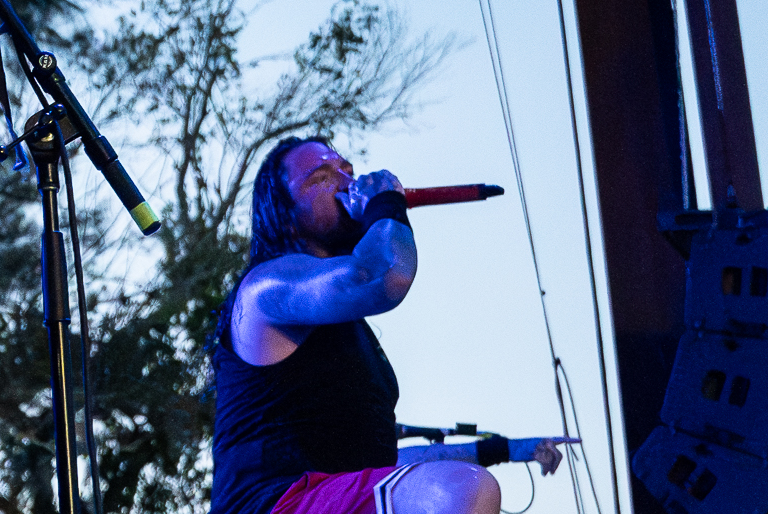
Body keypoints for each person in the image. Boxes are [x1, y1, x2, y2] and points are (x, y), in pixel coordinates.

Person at [212, 138, 573, 514]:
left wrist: (509, 449)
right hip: (276, 505)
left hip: (334, 495)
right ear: (283, 211)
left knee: (455, 483)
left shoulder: (345, 330)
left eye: (346, 170)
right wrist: (386, 202)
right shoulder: (265, 289)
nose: (346, 181)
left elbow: (391, 462)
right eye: (320, 177)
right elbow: (383, 275)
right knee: (461, 489)